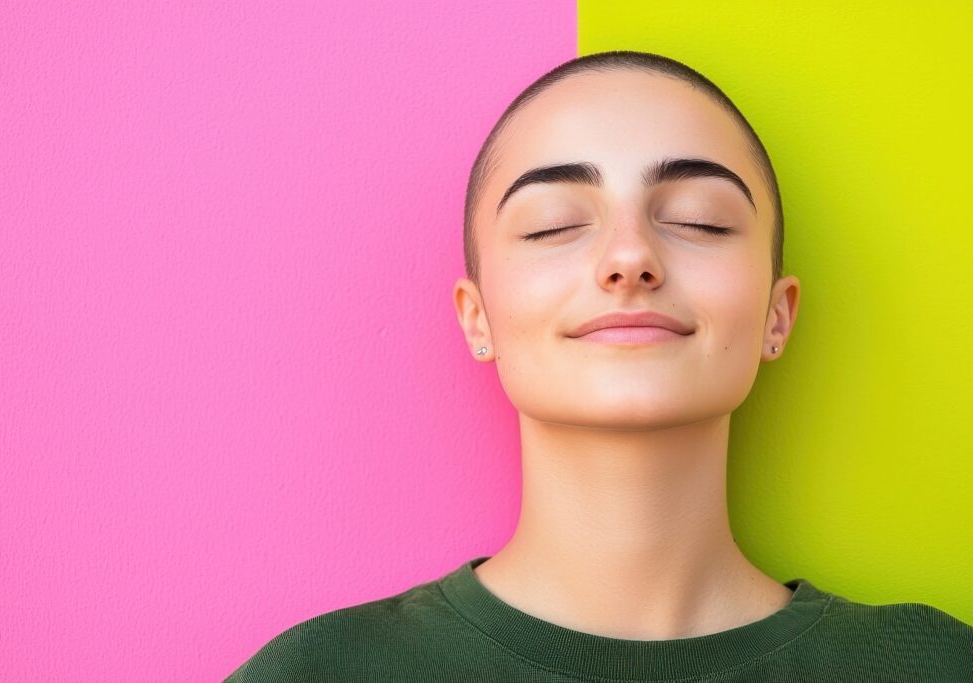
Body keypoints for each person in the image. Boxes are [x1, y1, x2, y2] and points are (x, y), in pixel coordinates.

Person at [224, 50, 972, 682]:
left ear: (778, 314)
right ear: (478, 317)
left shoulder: (932, 667)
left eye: (699, 220)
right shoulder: (320, 672)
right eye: (553, 225)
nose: (630, 257)